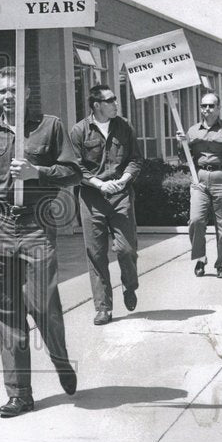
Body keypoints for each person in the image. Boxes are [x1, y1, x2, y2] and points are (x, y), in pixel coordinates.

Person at [0, 66, 81, 418]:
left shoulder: (50, 126)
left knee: (44, 304)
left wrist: (38, 171)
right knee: (6, 312)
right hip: (0, 225)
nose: (7, 96)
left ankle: (60, 359)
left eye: (13, 89)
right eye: (1, 91)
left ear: (26, 92)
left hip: (36, 225)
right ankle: (19, 393)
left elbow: (73, 171)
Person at [69, 83, 142, 324]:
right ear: (96, 105)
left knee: (126, 249)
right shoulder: (79, 131)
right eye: (110, 101)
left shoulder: (125, 126)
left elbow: (135, 159)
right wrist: (99, 184)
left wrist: (123, 179)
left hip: (121, 195)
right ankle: (103, 308)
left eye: (115, 100)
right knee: (96, 254)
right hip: (92, 199)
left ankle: (130, 285)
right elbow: (75, 168)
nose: (116, 104)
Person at [176, 92, 222, 279]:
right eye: (203, 106)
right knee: (196, 220)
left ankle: (221, 264)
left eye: (211, 106)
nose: (207, 109)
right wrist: (180, 144)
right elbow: (184, 159)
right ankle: (200, 258)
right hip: (199, 179)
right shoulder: (192, 131)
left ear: (219, 108)